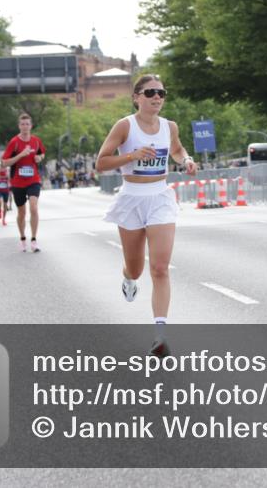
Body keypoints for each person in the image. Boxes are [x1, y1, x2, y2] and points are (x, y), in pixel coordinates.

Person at [95, 74, 197, 356]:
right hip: (131, 199)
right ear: (136, 97)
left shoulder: (169, 127)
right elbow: (101, 163)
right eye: (150, 92)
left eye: (162, 93)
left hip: (160, 197)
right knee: (137, 268)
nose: (157, 97)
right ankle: (128, 278)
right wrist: (132, 155)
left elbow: (176, 150)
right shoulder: (125, 126)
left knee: (160, 268)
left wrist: (186, 159)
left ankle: (159, 335)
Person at [2, 113, 47, 252]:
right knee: (21, 212)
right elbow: (4, 162)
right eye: (23, 124)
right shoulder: (14, 142)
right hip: (18, 182)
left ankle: (33, 240)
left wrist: (39, 157)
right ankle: (22, 238)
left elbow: (42, 153)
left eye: (27, 124)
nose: (25, 126)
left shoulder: (36, 141)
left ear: (31, 125)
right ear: (19, 126)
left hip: (33, 180)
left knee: (34, 208)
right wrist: (21, 155)